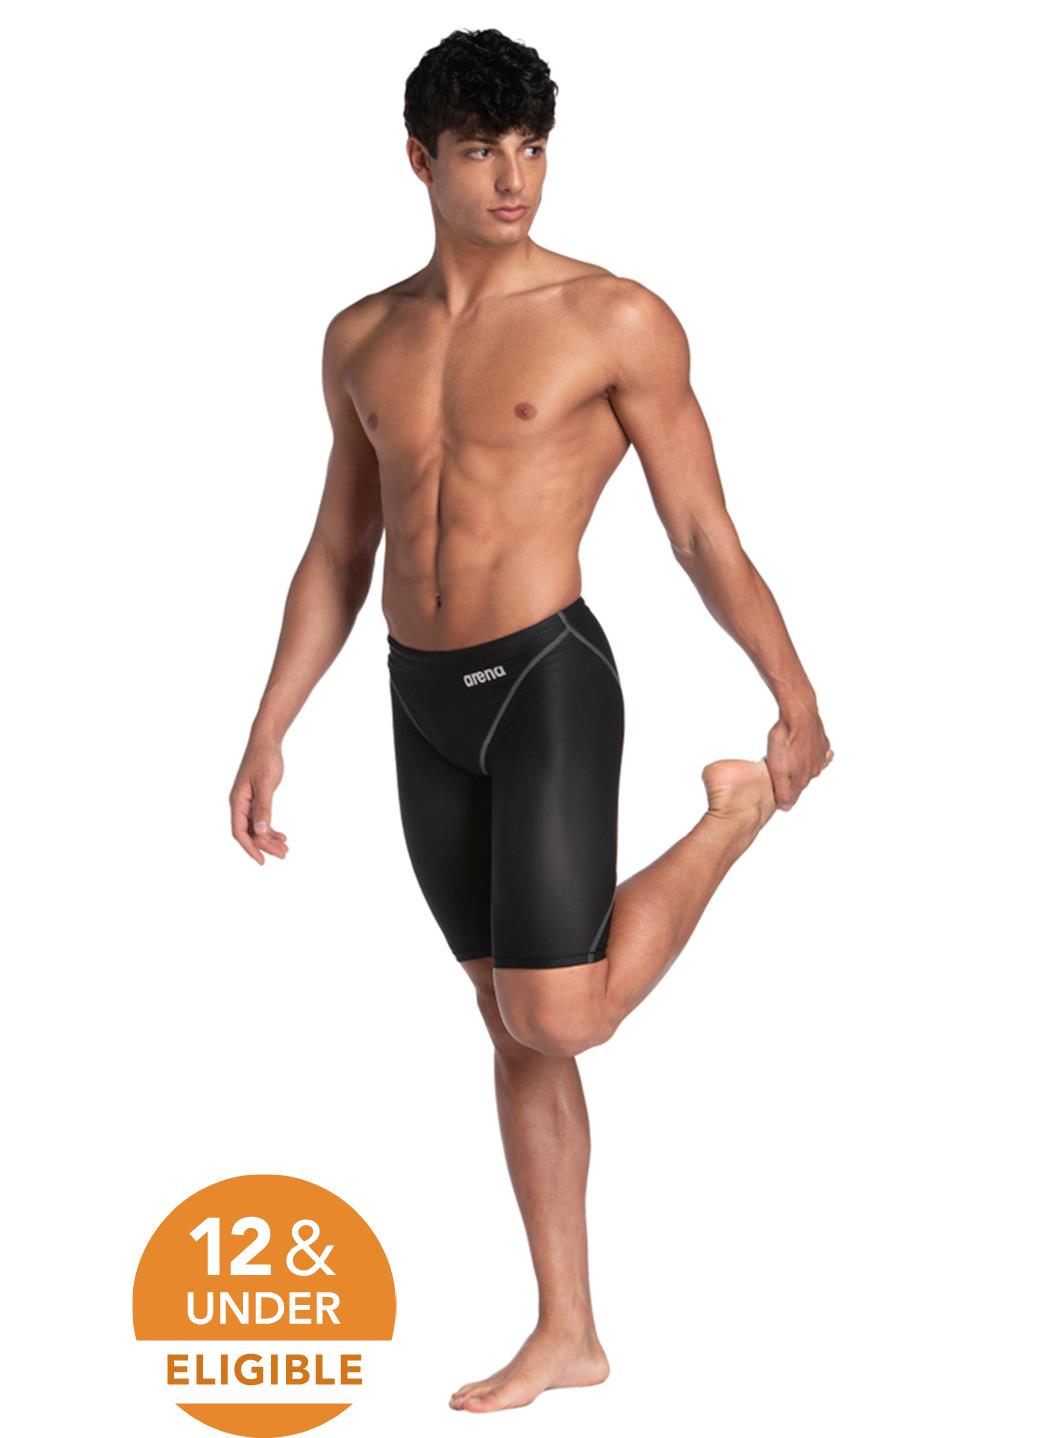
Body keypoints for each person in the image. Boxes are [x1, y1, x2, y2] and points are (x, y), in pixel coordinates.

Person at [229, 26, 833, 1415]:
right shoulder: (361, 337)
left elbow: (700, 529)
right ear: (419, 161)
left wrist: (792, 695)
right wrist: (270, 726)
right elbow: (338, 550)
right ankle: (568, 1331)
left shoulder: (613, 317)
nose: (513, 179)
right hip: (417, 698)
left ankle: (730, 817)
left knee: (558, 1013)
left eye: (532, 148)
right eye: (481, 150)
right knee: (506, 1021)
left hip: (546, 679)